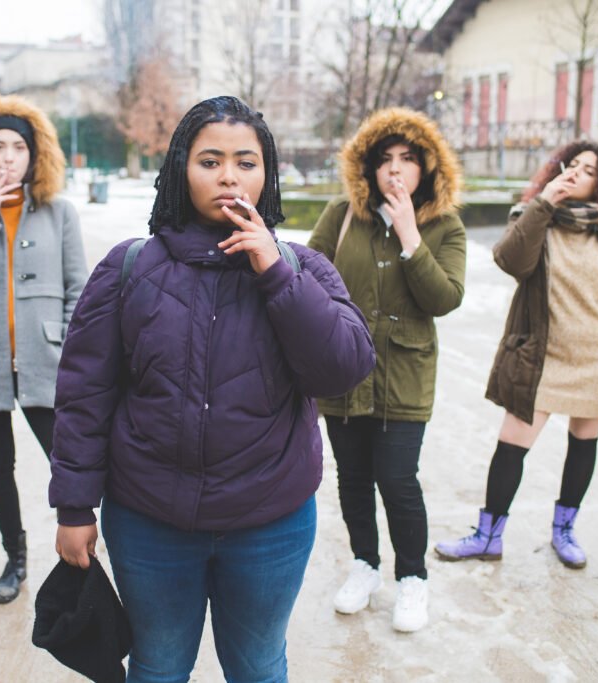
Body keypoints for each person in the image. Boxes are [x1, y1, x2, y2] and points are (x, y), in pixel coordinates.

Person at [49, 96, 375, 682]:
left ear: (266, 173)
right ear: (181, 169)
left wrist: (275, 273)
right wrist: (74, 506)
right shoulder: (130, 268)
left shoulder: (304, 268)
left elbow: (343, 368)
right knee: (159, 666)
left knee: (256, 667)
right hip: (151, 522)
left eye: (246, 162)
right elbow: (83, 395)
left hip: (270, 523)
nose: (229, 175)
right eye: (210, 161)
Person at [435, 141, 598, 569]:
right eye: (571, 165)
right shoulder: (536, 218)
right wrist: (544, 202)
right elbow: (510, 260)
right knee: (511, 445)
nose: (576, 172)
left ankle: (564, 530)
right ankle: (488, 536)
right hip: (543, 358)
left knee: (583, 443)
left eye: (589, 170)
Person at [306, 108, 466, 631]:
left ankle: (412, 579)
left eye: (408, 159)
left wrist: (409, 236)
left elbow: (443, 298)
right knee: (352, 478)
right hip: (346, 370)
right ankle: (364, 565)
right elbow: (309, 278)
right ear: (368, 169)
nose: (395, 171)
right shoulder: (342, 214)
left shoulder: (444, 225)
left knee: (397, 480)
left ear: (427, 168)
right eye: (385, 160)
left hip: (406, 374)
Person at [0, 95, 88, 604]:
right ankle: (15, 556)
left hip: (45, 361)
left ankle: (83, 546)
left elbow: (79, 290)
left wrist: (69, 349)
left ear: (34, 155)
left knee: (67, 459)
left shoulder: (59, 214)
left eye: (17, 147)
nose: (7, 157)